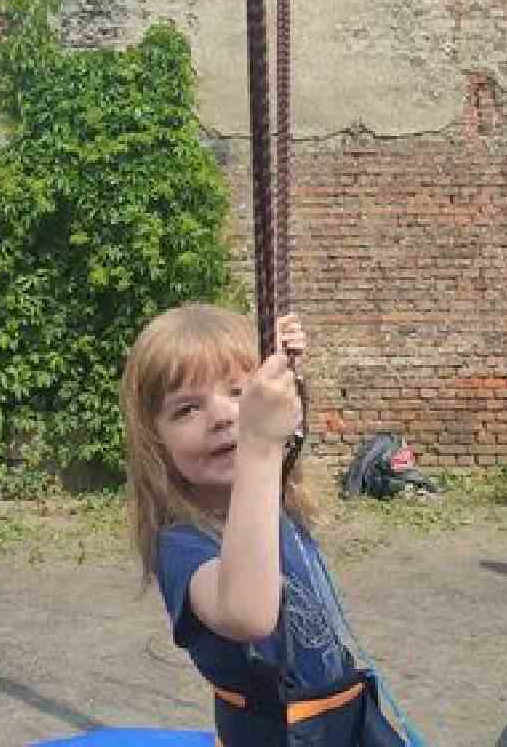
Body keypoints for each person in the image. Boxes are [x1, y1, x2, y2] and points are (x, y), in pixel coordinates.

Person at [120, 304, 406, 747]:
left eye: (240, 394)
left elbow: (289, 431)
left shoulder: (274, 498)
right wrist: (257, 444)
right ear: (156, 441)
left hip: (343, 717)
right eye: (187, 409)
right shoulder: (181, 545)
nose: (222, 416)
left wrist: (288, 373)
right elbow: (247, 615)